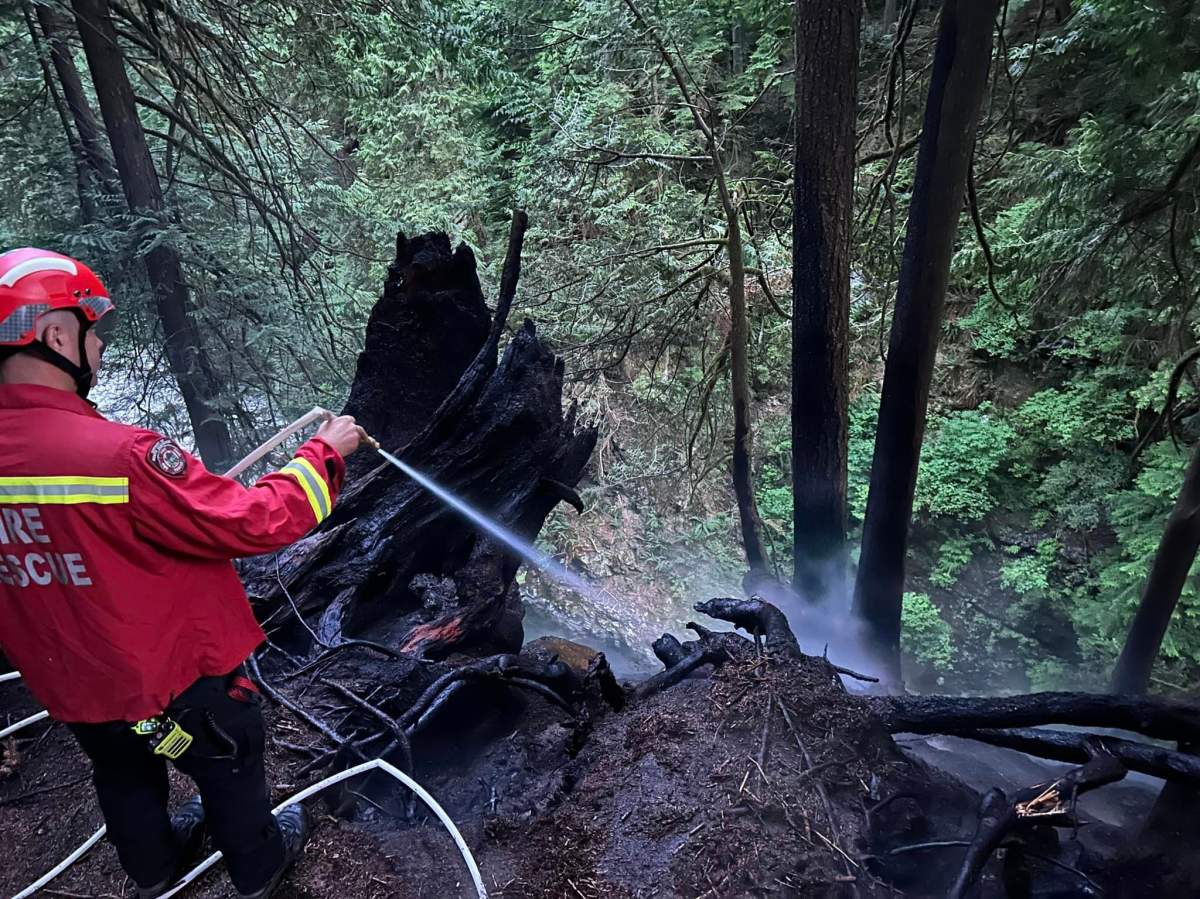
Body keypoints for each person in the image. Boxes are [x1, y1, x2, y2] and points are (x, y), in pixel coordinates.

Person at [0, 247, 364, 898]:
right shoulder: (120, 456)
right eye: (92, 331)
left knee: (123, 770)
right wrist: (323, 454)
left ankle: (156, 869)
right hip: (175, 693)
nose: (99, 347)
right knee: (227, 761)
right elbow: (256, 521)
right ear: (55, 335)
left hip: (85, 695)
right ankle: (258, 869)